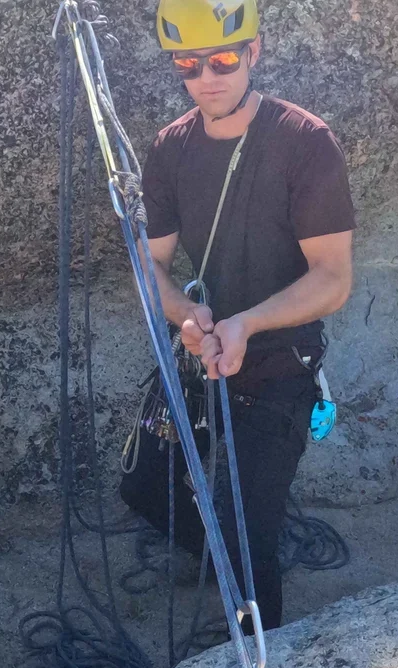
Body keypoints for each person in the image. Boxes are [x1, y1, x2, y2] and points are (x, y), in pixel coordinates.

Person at [119, 0, 355, 632]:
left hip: (280, 367)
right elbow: (150, 266)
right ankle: (220, 555)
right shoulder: (171, 150)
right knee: (141, 487)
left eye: (223, 58)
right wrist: (185, 314)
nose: (207, 77)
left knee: (246, 542)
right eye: (189, 65)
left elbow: (333, 279)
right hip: (202, 358)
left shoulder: (305, 143)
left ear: (254, 51)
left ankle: (253, 646)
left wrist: (246, 324)